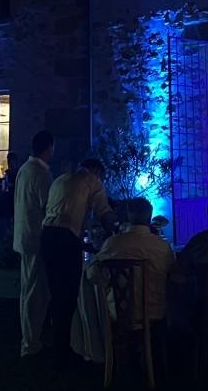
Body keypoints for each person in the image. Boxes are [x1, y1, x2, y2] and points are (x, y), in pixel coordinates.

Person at [40, 158, 117, 365]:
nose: (102, 180)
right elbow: (104, 214)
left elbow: (57, 216)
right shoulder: (92, 181)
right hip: (66, 240)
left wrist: (81, 245)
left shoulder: (60, 180)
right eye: (102, 176)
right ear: (96, 171)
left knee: (55, 292)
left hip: (46, 236)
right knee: (68, 295)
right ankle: (63, 352)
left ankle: (50, 342)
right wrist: (117, 233)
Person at [90, 198, 176, 326]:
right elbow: (174, 274)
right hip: (156, 315)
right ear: (150, 215)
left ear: (129, 215)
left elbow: (92, 274)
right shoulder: (162, 246)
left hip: (119, 316)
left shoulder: (113, 243)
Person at [14, 130, 54, 357]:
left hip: (24, 237)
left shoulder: (24, 170)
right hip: (35, 238)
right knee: (34, 294)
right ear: (48, 148)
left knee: (28, 290)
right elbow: (48, 206)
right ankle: (30, 343)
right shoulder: (41, 173)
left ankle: (31, 338)